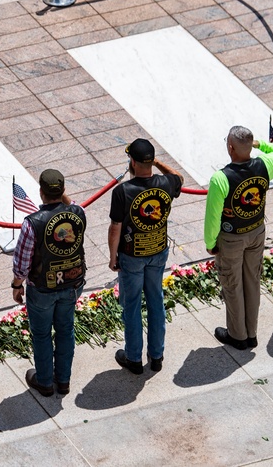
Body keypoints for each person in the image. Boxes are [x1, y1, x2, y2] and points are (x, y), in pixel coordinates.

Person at [204, 126, 273, 350]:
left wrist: (210, 243)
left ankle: (238, 336)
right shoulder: (264, 165)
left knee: (233, 285)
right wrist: (259, 144)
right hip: (256, 232)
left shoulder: (220, 178)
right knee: (252, 281)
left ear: (230, 147)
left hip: (232, 238)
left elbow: (213, 217)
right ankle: (251, 333)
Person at [108, 138, 183, 374]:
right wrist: (157, 162)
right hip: (157, 251)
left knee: (131, 306)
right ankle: (157, 355)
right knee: (155, 301)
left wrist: (112, 256)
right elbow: (179, 178)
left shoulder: (122, 191)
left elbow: (115, 227)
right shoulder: (166, 183)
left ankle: (133, 358)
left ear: (132, 161)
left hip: (132, 255)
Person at [11, 169, 87, 397]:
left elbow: (22, 262)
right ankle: (63, 380)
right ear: (63, 190)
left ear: (41, 192)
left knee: (42, 334)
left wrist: (17, 285)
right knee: (65, 330)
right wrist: (61, 195)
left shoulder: (32, 222)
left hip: (43, 288)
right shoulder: (78, 213)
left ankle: (45, 381)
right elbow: (72, 203)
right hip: (72, 284)